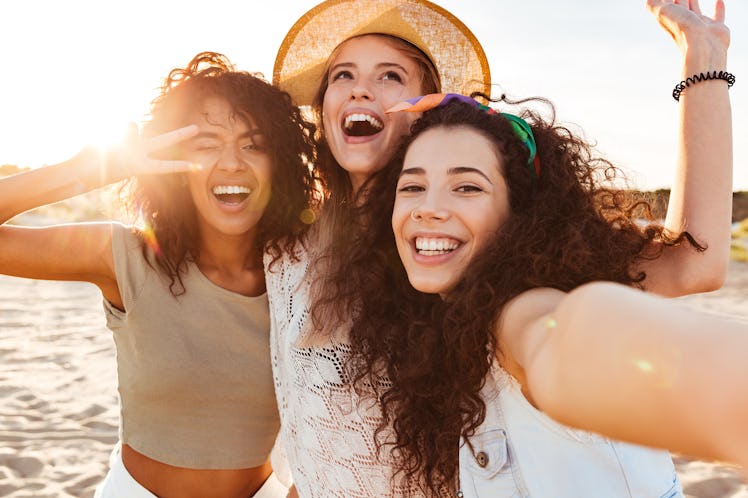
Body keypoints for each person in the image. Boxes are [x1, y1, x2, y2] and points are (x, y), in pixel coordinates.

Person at [267, 0, 733, 496]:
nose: (361, 87)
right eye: (342, 75)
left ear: (431, 105)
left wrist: (701, 57)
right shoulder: (287, 247)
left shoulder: (487, 253)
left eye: (390, 76)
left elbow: (680, 270)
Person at [350, 89, 745, 497]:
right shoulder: (440, 328)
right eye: (412, 187)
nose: (427, 208)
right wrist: (704, 57)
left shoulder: (519, 311)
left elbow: (561, 341)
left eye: (466, 187)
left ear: (518, 214)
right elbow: (696, 264)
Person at [0, 52, 317, 497]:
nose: (231, 163)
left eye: (253, 144)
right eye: (206, 143)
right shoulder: (127, 255)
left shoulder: (303, 275)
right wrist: (83, 173)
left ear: (279, 164)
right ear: (173, 163)